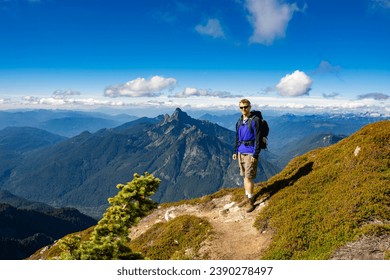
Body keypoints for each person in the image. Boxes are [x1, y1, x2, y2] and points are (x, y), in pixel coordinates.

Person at [232, 99, 261, 213]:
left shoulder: (255, 120)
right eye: (241, 107)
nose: (244, 109)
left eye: (246, 107)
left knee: (248, 177)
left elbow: (258, 138)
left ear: (250, 107)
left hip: (250, 152)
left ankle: (250, 201)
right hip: (240, 151)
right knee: (244, 176)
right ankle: (247, 196)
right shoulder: (239, 122)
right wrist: (235, 151)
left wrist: (255, 153)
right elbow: (237, 138)